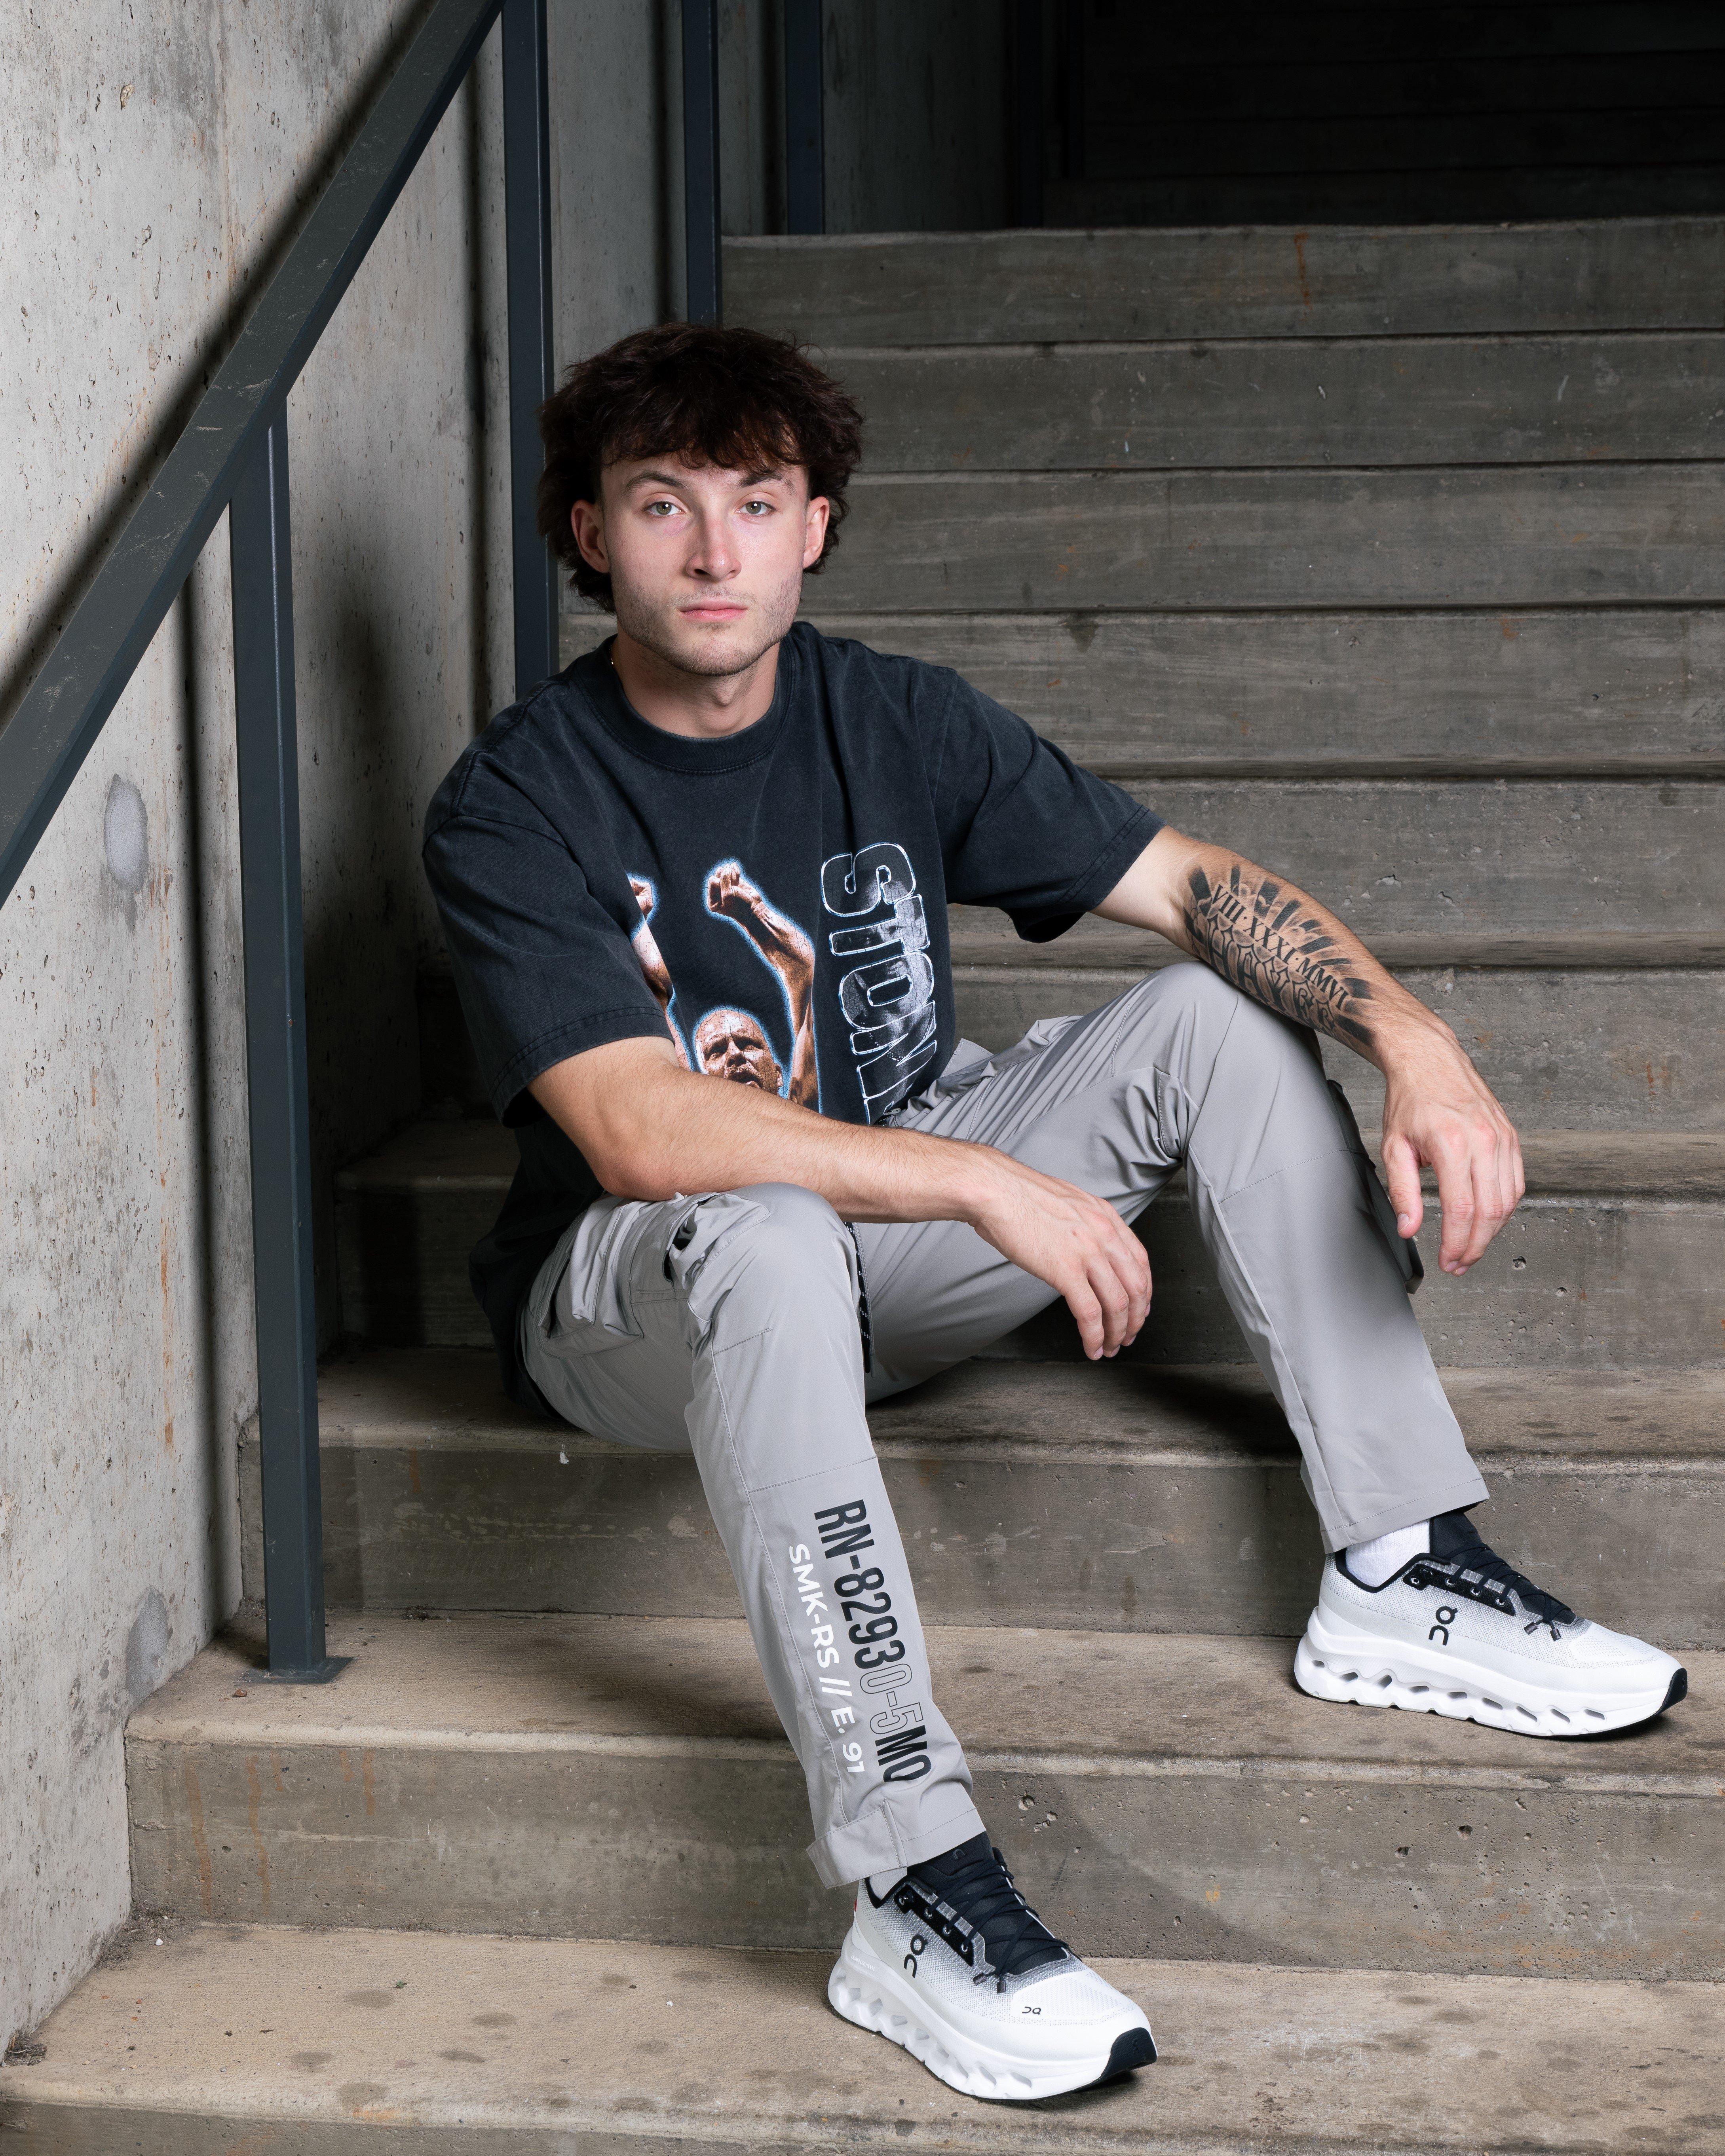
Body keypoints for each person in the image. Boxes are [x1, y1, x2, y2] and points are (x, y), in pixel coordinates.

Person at [422, 323, 1686, 2104]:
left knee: (1211, 1014)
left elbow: (1195, 887)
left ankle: (1399, 1563)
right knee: (764, 1229)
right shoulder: (514, 797)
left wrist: (1415, 1037)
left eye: (756, 503)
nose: (712, 552)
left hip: (884, 1255)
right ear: (588, 533)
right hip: (647, 1297)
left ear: (816, 528)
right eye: (661, 504)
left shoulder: (896, 718)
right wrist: (979, 1172)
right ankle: (908, 1881)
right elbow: (637, 1133)